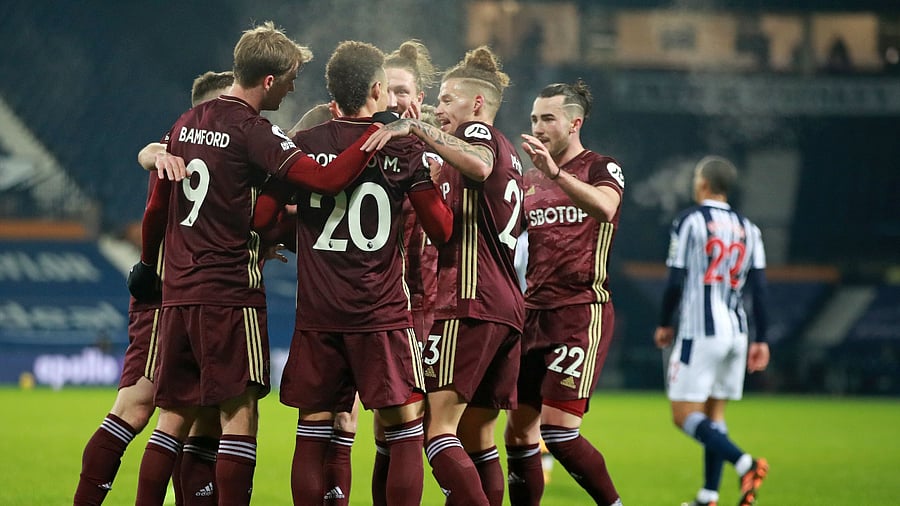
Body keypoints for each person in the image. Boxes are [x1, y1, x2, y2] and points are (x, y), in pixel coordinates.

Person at [131, 22, 383, 506]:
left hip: (179, 293)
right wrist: (373, 135)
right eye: (289, 80)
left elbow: (157, 204)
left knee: (174, 419)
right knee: (239, 416)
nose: (292, 90)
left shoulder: (186, 122)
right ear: (269, 80)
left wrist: (148, 262)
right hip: (229, 292)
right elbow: (326, 180)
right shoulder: (254, 131)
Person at [252, 40, 452, 506]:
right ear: (378, 90)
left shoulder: (304, 145)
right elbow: (441, 229)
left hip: (319, 313)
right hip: (380, 313)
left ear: (331, 95)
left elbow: (262, 218)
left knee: (313, 430)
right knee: (405, 429)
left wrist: (291, 227)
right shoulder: (400, 148)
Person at [363, 45, 526, 506]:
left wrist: (415, 126)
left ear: (477, 104)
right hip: (507, 307)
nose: (439, 107)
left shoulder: (479, 136)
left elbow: (477, 161)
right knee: (477, 438)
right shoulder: (513, 155)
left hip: (469, 301)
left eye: (448, 99)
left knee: (434, 430)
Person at [73, 70, 233, 506]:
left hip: (203, 294)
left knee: (204, 419)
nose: (235, 110)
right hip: (167, 296)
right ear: (200, 110)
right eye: (226, 102)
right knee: (139, 407)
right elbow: (156, 199)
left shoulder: (217, 148)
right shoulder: (178, 147)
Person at [503, 80, 625, 506]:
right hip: (533, 313)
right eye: (534, 118)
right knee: (518, 431)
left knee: (557, 431)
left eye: (548, 118)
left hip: (579, 311)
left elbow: (607, 208)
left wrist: (557, 174)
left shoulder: (600, 168)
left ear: (575, 123)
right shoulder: (529, 182)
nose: (538, 127)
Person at [653, 155, 770, 506]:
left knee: (683, 414)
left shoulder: (690, 221)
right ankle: (708, 496)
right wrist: (761, 338)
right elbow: (760, 288)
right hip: (737, 331)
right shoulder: (750, 228)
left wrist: (664, 322)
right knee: (714, 416)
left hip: (699, 331)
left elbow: (675, 279)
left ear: (703, 183)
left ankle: (745, 463)